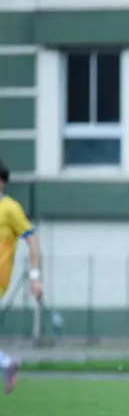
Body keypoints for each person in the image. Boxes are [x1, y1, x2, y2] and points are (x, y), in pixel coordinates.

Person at [0, 159, 43, 394]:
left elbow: (33, 240)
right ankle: (6, 362)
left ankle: (6, 362)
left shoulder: (9, 208)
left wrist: (35, 277)